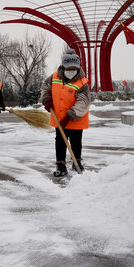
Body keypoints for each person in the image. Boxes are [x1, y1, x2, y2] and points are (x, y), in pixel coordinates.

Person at [40, 49, 90, 177]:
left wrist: (69, 116)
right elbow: (46, 87)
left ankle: (76, 162)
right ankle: (61, 165)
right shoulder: (54, 77)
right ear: (63, 66)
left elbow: (83, 102)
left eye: (74, 67)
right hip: (59, 117)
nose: (71, 70)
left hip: (76, 118)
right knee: (60, 141)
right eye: (68, 68)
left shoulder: (82, 82)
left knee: (76, 141)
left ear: (78, 67)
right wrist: (47, 100)